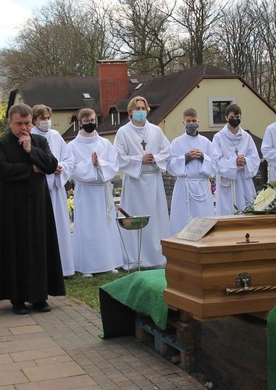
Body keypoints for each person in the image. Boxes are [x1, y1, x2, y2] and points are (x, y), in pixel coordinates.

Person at [0, 103, 64, 315]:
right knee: (16, 250)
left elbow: (51, 164)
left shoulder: (39, 141)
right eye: (19, 124)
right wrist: (31, 168)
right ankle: (17, 299)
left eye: (27, 123)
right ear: (10, 123)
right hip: (12, 206)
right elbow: (1, 169)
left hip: (39, 205)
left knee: (40, 247)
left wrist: (30, 150)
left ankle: (40, 297)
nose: (23, 128)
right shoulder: (1, 143)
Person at [114, 96, 171, 269]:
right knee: (136, 220)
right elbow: (119, 157)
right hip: (136, 182)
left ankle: (157, 258)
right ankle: (135, 258)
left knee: (156, 221)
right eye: (137, 108)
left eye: (143, 108)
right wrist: (140, 159)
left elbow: (167, 150)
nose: (140, 111)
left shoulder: (156, 130)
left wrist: (155, 158)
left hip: (154, 181)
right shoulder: (123, 132)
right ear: (130, 111)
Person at [68, 108, 124, 278]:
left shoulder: (105, 144)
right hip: (85, 191)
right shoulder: (72, 146)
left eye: (93, 120)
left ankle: (109, 262)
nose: (90, 123)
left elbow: (113, 165)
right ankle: (88, 266)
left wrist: (99, 164)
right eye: (87, 121)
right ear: (80, 123)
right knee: (88, 227)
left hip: (102, 190)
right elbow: (72, 168)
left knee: (106, 226)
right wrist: (90, 165)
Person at [30, 104, 75, 277]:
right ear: (35, 120)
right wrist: (48, 168)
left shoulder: (56, 136)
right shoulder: (31, 136)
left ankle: (64, 267)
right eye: (42, 118)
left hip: (56, 189)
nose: (46, 122)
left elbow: (69, 159)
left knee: (60, 227)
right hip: (41, 187)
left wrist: (60, 167)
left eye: (48, 118)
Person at [167, 108, 218, 235]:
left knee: (204, 219)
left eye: (194, 120)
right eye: (188, 121)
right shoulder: (176, 142)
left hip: (202, 187)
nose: (191, 123)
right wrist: (186, 158)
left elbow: (215, 164)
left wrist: (202, 157)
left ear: (199, 122)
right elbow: (170, 164)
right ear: (183, 122)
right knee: (182, 221)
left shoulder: (206, 142)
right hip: (184, 186)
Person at [212, 104, 261, 215]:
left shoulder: (246, 137)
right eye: (232, 117)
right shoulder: (218, 137)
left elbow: (255, 158)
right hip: (227, 182)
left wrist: (245, 161)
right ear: (226, 118)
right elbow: (215, 161)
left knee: (246, 209)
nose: (235, 120)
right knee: (228, 211)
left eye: (238, 117)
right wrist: (234, 162)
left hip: (244, 179)